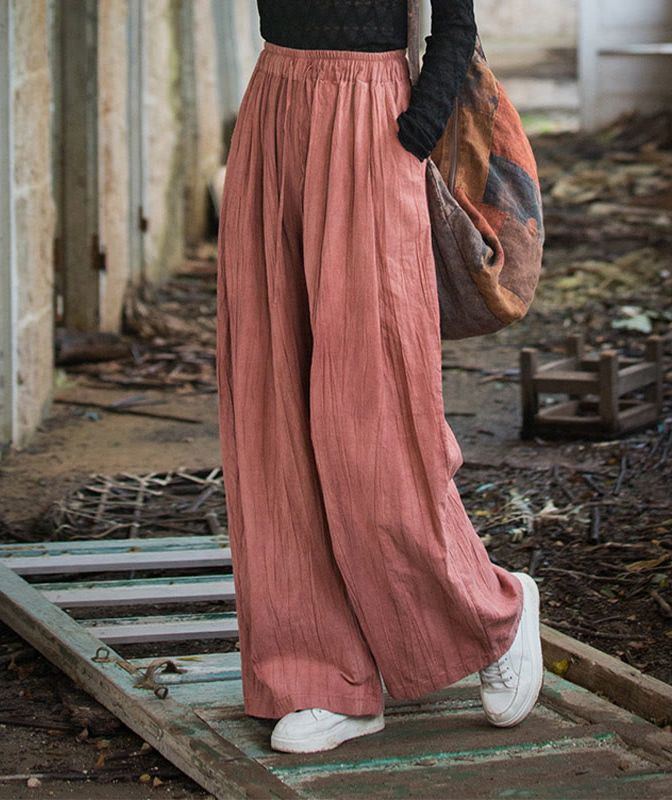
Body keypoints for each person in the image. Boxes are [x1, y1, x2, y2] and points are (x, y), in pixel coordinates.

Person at [216, 0, 543, 755]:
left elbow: (453, 24)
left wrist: (416, 127)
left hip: (372, 121)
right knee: (272, 406)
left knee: (372, 413)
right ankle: (324, 678)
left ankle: (492, 615)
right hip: (273, 109)